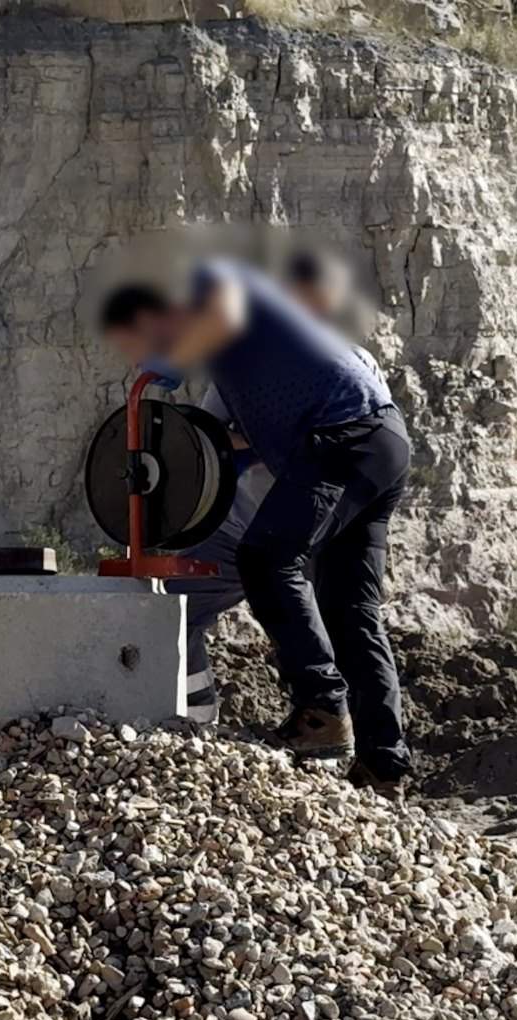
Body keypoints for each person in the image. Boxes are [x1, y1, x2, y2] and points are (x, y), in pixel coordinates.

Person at [99, 256, 413, 790]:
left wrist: (175, 347)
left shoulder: (229, 299)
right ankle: (384, 764)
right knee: (350, 609)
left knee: (265, 558)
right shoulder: (249, 371)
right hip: (382, 444)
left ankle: (321, 708)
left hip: (344, 438)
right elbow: (222, 457)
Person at [169, 251, 379, 728]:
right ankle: (195, 724)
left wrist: (268, 437)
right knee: (171, 611)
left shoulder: (354, 365)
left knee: (324, 633)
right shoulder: (241, 370)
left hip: (312, 527)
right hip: (239, 529)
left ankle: (330, 735)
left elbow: (351, 444)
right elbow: (210, 438)